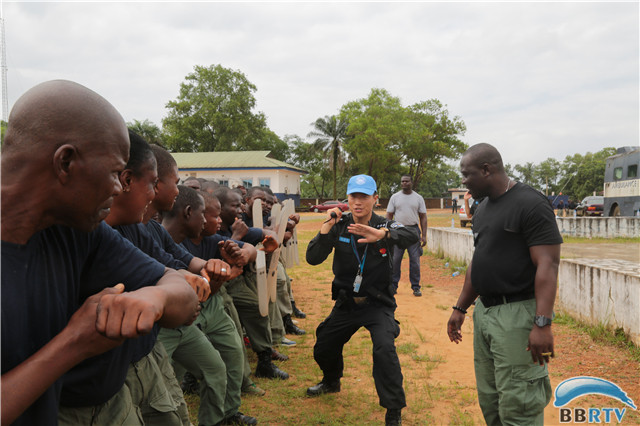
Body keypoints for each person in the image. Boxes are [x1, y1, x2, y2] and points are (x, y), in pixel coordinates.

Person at [1, 80, 198, 425]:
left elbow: (181, 293)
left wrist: (153, 298)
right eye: (112, 172)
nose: (117, 188)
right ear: (66, 162)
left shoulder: (77, 232)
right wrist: (74, 343)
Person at [447, 143, 562, 426]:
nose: (463, 181)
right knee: (492, 399)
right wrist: (461, 306)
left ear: (487, 170)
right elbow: (480, 259)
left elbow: (548, 263)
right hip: (485, 313)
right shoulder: (483, 208)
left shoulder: (530, 203)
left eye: (466, 174)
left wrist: (542, 323)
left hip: (517, 316)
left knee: (519, 403)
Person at [306, 174, 419, 426]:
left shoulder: (385, 224)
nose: (358, 202)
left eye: (364, 197)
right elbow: (312, 258)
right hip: (347, 302)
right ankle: (331, 381)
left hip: (378, 303)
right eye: (353, 196)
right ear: (347, 198)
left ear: (375, 199)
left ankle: (393, 410)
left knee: (384, 349)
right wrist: (326, 226)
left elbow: (412, 234)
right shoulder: (339, 224)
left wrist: (385, 236)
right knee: (324, 343)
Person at [385, 174, 428, 297]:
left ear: (411, 182)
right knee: (395, 260)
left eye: (406, 181)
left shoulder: (418, 198)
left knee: (415, 261)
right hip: (398, 231)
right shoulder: (395, 197)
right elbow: (389, 215)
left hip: (413, 232)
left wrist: (424, 235)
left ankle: (416, 287)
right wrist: (388, 230)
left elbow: (423, 217)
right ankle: (393, 286)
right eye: (402, 181)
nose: (404, 183)